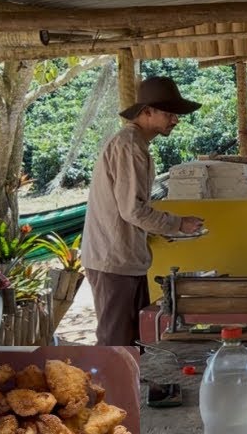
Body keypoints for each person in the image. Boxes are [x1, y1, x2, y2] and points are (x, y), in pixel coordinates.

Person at [83, 76, 205, 346]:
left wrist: (163, 229)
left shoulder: (134, 143)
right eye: (169, 113)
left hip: (123, 258)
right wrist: (177, 224)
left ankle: (133, 389)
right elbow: (133, 211)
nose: (175, 120)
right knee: (117, 345)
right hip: (113, 259)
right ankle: (112, 389)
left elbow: (129, 210)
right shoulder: (130, 146)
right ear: (146, 111)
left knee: (135, 341)